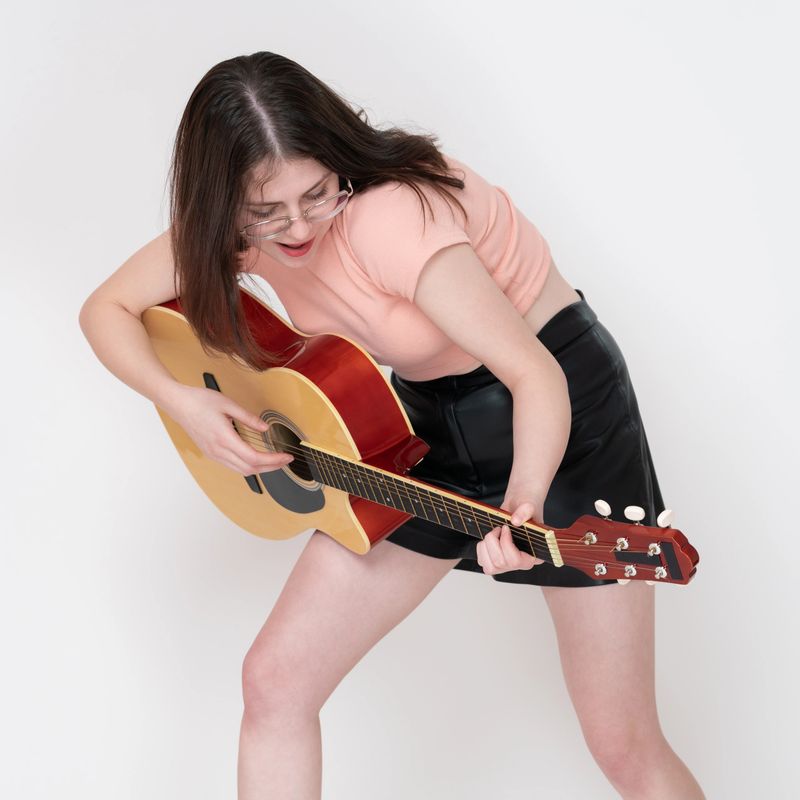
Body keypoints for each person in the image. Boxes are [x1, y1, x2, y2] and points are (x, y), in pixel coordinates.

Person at [78, 51, 704, 799]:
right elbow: (104, 310)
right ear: (224, 203)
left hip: (559, 404)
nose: (298, 226)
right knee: (276, 682)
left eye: (316, 194)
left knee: (622, 741)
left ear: (337, 160)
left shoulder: (390, 216)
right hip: (419, 420)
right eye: (265, 212)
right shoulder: (233, 235)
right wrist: (184, 401)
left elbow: (533, 374)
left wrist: (525, 503)